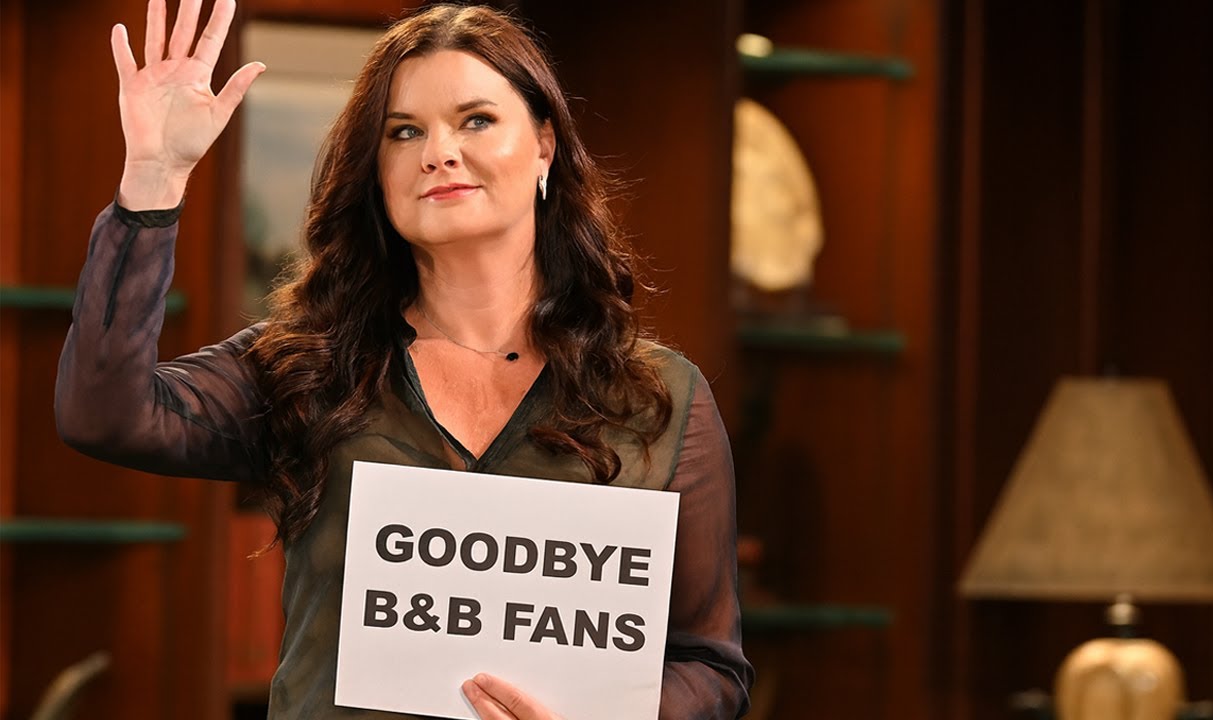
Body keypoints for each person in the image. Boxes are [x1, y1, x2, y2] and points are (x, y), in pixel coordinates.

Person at [54, 0, 753, 718]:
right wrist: (153, 179)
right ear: (377, 172)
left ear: (544, 146)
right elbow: (103, 413)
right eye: (404, 131)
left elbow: (710, 668)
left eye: (475, 120)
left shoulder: (659, 397)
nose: (438, 152)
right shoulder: (310, 365)